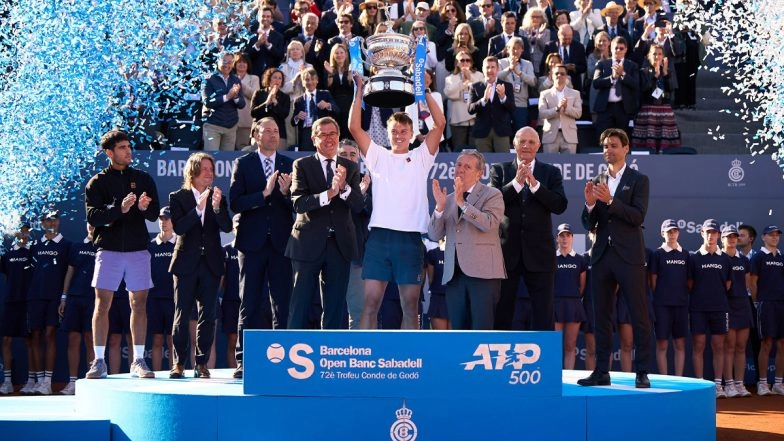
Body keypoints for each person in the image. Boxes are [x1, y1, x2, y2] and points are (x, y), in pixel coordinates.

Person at [349, 73, 446, 330]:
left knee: (411, 305)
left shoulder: (422, 156)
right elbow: (354, 128)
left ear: (412, 133)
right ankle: (366, 352)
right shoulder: (378, 155)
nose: (399, 135)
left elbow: (440, 124)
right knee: (370, 303)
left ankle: (408, 353)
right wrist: (359, 91)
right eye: (394, 131)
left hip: (410, 239)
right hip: (379, 238)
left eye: (404, 131)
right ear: (388, 134)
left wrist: (424, 90)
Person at [578, 127, 651, 388]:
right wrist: (589, 205)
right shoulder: (597, 180)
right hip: (601, 256)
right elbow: (589, 224)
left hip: (629, 255)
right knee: (601, 316)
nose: (608, 150)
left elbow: (637, 216)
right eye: (605, 146)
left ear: (626, 148)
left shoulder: (639, 180)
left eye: (613, 145)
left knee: (638, 314)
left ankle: (642, 371)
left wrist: (610, 201)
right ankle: (601, 371)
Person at [85, 129, 160, 379]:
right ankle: (99, 362)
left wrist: (143, 207)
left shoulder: (143, 178)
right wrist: (121, 208)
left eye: (129, 146)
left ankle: (138, 360)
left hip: (138, 250)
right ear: (109, 152)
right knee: (102, 304)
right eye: (122, 148)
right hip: (108, 250)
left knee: (139, 304)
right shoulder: (97, 183)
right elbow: (93, 217)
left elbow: (154, 214)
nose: (128, 151)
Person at [229, 118, 294, 379]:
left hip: (281, 244)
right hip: (252, 244)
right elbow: (235, 202)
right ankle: (244, 360)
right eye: (267, 131)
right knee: (249, 302)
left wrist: (286, 193)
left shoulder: (289, 164)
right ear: (256, 135)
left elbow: (298, 205)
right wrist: (264, 194)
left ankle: (285, 360)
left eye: (276, 131)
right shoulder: (243, 163)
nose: (273, 135)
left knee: (282, 303)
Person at [286, 116, 363, 329]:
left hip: (340, 245)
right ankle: (293, 345)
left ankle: (330, 348)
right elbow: (298, 203)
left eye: (333, 134)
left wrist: (344, 188)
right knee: (300, 303)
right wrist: (328, 194)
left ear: (338, 137)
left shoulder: (350, 167)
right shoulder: (302, 165)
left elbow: (359, 205)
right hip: (307, 244)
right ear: (314, 139)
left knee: (335, 307)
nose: (329, 139)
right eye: (323, 134)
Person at [490, 127, 568, 331]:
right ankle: (498, 352)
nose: (526, 146)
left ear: (539, 145)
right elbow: (493, 203)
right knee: (502, 312)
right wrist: (517, 183)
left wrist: (535, 186)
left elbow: (559, 205)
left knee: (544, 314)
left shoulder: (551, 172)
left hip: (540, 255)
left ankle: (544, 352)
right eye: (522, 141)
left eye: (531, 142)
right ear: (514, 144)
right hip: (507, 254)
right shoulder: (499, 170)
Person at [168, 153, 232, 379]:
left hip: (211, 264)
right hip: (186, 263)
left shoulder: (218, 196)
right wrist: (198, 209)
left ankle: (201, 364)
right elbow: (179, 228)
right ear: (193, 171)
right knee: (182, 313)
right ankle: (178, 363)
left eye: (211, 169)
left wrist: (216, 207)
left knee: (208, 315)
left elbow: (227, 227)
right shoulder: (178, 197)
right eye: (204, 169)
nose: (209, 173)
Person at [428, 151, 505, 330]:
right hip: (454, 276)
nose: (460, 169)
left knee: (481, 330)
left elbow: (489, 223)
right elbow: (434, 235)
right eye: (458, 165)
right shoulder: (448, 199)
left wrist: (463, 203)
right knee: (459, 332)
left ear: (479, 174)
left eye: (467, 166)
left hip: (483, 275)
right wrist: (439, 208)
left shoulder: (492, 194)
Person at [25, 210, 72, 394]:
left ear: (58, 222)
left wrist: (63, 297)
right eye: (47, 220)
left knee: (50, 335)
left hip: (54, 298)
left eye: (54, 219)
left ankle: (47, 381)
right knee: (35, 335)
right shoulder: (35, 245)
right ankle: (38, 381)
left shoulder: (66, 245)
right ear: (42, 223)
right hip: (35, 297)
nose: (51, 223)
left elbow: (69, 273)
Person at [688, 219, 731, 398]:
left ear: (719, 235)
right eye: (708, 232)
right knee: (698, 346)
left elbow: (727, 284)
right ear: (702, 234)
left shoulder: (725, 259)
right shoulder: (694, 258)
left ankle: (718, 385)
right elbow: (690, 284)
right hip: (698, 308)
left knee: (719, 346)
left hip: (720, 308)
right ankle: (699, 385)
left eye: (714, 232)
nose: (711, 236)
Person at [57, 223, 98, 395]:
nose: (92, 226)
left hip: (94, 299)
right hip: (75, 297)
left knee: (90, 339)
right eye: (90, 223)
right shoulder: (76, 246)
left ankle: (92, 384)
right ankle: (72, 382)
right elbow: (70, 272)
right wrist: (64, 297)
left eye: (95, 223)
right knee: (73, 339)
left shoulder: (104, 247)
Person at [338, 140, 373, 329]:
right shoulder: (325, 178)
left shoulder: (367, 181)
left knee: (358, 311)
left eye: (353, 154)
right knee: (331, 311)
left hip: (355, 254)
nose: (349, 158)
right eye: (343, 154)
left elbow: (369, 211)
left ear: (359, 157)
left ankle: (358, 348)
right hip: (328, 253)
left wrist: (361, 193)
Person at [650, 218, 689, 376]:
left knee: (680, 344)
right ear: (662, 234)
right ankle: (664, 380)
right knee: (662, 345)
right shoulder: (657, 254)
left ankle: (679, 379)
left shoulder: (685, 254)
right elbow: (653, 280)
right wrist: (662, 295)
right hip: (662, 306)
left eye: (674, 231)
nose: (672, 234)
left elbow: (689, 280)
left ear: (678, 233)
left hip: (681, 305)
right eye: (668, 231)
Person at [749, 225, 784, 396]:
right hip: (766, 304)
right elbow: (753, 283)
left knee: (782, 344)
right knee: (767, 343)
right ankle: (763, 383)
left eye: (777, 235)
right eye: (771, 235)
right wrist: (758, 302)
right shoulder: (758, 257)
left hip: (781, 304)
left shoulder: (782, 257)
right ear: (763, 237)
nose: (775, 237)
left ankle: (778, 383)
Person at [721, 224, 753, 398]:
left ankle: (739, 384)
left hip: (743, 305)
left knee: (741, 346)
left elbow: (746, 284)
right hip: (726, 306)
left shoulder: (744, 260)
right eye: (729, 237)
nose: (733, 239)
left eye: (734, 236)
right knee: (729, 346)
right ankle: (729, 384)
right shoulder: (720, 259)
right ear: (723, 239)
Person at [0, 224, 33, 395]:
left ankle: (31, 380)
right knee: (6, 340)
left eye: (26, 230)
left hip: (28, 302)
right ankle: (7, 382)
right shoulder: (7, 255)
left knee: (30, 341)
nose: (23, 233)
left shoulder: (32, 252)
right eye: (20, 230)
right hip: (10, 302)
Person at [631, 44, 680, 153]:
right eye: (654, 54)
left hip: (665, 112)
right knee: (647, 145)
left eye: (659, 54)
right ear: (649, 56)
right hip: (648, 112)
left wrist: (665, 75)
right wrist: (655, 77)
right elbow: (644, 90)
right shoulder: (643, 72)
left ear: (663, 56)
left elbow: (671, 89)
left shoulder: (667, 71)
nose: (657, 57)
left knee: (665, 146)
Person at [553, 223, 588, 369]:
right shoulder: (551, 258)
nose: (565, 239)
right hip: (555, 305)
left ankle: (568, 377)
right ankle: (555, 377)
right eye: (562, 236)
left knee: (570, 345)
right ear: (557, 238)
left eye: (568, 235)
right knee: (554, 346)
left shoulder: (580, 260)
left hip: (573, 305)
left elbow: (582, 286)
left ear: (572, 238)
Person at [592, 36, 639, 141]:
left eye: (621, 48)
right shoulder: (602, 64)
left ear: (626, 49)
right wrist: (612, 78)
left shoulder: (632, 66)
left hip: (623, 109)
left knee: (621, 140)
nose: (618, 50)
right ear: (611, 49)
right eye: (616, 48)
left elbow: (636, 85)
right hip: (605, 108)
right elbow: (596, 83)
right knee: (603, 139)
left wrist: (623, 74)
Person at [146, 207, 176, 373]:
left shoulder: (180, 244)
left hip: (174, 299)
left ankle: (174, 373)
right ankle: (156, 375)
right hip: (154, 299)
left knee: (172, 340)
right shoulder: (150, 246)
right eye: (161, 219)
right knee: (156, 339)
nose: (163, 222)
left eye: (167, 218)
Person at [467, 56, 516, 153]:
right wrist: (483, 100)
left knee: (503, 161)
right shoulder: (475, 87)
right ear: (482, 69)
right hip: (482, 132)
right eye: (487, 67)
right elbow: (470, 109)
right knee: (482, 161)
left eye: (493, 67)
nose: (490, 70)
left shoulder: (507, 86)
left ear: (498, 69)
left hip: (501, 131)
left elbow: (512, 108)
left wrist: (503, 97)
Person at [202, 53, 247, 151]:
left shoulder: (236, 80)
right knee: (211, 157)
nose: (227, 65)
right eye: (224, 61)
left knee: (227, 158)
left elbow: (242, 104)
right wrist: (227, 97)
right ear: (218, 62)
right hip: (213, 126)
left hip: (231, 127)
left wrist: (235, 97)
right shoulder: (208, 79)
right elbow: (207, 102)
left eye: (230, 62)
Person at [291, 67, 339, 151]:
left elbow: (337, 110)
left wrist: (327, 105)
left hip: (323, 132)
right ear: (303, 83)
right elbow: (293, 122)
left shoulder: (325, 94)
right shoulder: (298, 100)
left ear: (317, 80)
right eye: (307, 80)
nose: (310, 82)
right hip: (306, 133)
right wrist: (297, 117)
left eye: (313, 79)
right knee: (306, 156)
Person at [443, 50, 484, 149]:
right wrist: (462, 83)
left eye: (467, 60)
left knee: (474, 150)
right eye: (462, 60)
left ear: (471, 62)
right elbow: (449, 93)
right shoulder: (450, 78)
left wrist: (470, 79)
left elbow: (482, 92)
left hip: (475, 119)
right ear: (457, 63)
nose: (465, 62)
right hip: (458, 119)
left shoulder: (479, 75)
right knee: (459, 149)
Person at [538, 63, 582, 154]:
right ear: (551, 75)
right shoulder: (545, 94)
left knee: (569, 163)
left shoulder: (575, 93)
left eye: (562, 74)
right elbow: (542, 114)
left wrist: (566, 107)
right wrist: (557, 108)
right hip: (550, 135)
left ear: (566, 76)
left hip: (569, 135)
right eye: (556, 73)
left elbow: (578, 113)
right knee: (549, 163)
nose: (559, 75)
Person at [498, 37, 537, 132]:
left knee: (520, 133)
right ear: (508, 49)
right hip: (505, 103)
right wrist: (509, 69)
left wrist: (520, 73)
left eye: (518, 48)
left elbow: (533, 82)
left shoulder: (527, 64)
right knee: (505, 133)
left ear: (522, 50)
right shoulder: (501, 62)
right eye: (513, 48)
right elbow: (497, 78)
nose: (515, 51)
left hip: (521, 105)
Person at [251, 68, 291, 150]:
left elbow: (284, 115)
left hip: (278, 134)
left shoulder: (285, 97)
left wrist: (276, 103)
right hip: (259, 133)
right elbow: (253, 113)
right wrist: (266, 103)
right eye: (275, 77)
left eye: (280, 78)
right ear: (269, 79)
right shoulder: (258, 93)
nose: (277, 80)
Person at [245, 7, 286, 77]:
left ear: (272, 19)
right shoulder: (250, 36)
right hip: (254, 75)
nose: (265, 18)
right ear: (258, 18)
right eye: (263, 16)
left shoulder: (279, 37)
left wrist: (269, 45)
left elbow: (280, 56)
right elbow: (246, 57)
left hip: (272, 76)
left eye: (268, 16)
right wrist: (257, 44)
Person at [234, 53, 261, 150]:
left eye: (244, 62)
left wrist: (241, 84)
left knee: (243, 148)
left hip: (245, 120)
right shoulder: (229, 77)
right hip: (230, 119)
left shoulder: (254, 78)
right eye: (239, 62)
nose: (242, 64)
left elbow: (255, 95)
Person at [425, 239, 449, 330]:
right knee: (441, 336)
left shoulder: (460, 254)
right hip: (438, 299)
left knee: (454, 337)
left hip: (455, 299)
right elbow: (430, 280)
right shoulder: (433, 254)